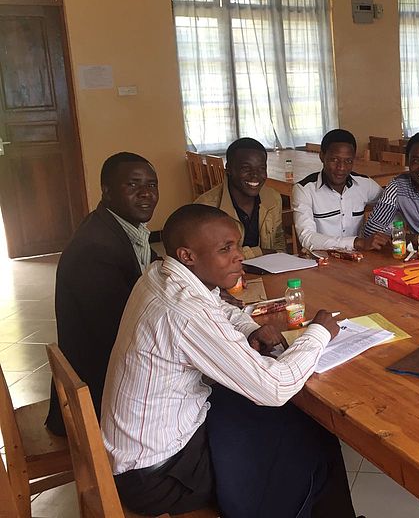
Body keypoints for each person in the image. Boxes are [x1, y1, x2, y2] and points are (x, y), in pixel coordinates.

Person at [101, 204, 355, 517]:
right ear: (187, 255)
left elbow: (217, 307)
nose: (239, 257)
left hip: (145, 449)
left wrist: (250, 328)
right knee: (308, 443)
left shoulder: (161, 274)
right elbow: (274, 388)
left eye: (236, 246)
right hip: (161, 477)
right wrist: (319, 333)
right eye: (225, 249)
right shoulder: (185, 312)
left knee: (286, 421)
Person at [45, 152, 158, 435]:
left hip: (110, 377)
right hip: (100, 396)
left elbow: (158, 271)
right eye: (133, 185)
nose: (146, 193)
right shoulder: (95, 250)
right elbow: (120, 332)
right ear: (106, 191)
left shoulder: (123, 229)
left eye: (151, 185)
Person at [293, 129, 387, 251]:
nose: (341, 167)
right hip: (320, 259)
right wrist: (356, 243)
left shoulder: (364, 184)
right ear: (322, 156)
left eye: (348, 161)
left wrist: (385, 232)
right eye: (334, 160)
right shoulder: (304, 190)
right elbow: (307, 237)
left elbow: (392, 207)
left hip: (359, 257)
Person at [195, 137, 285, 257]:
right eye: (246, 168)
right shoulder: (206, 208)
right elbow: (210, 256)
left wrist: (281, 259)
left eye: (261, 168)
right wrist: (259, 252)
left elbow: (278, 242)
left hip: (267, 268)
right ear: (228, 169)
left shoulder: (273, 198)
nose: (255, 175)